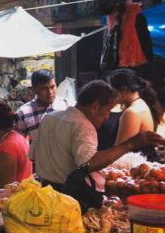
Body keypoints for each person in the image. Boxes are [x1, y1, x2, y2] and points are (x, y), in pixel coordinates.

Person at [32, 80, 164, 192]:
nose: (108, 117)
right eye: (108, 109)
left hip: (45, 190)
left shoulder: (49, 118)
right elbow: (89, 163)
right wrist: (130, 144)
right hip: (71, 196)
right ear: (95, 106)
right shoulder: (83, 126)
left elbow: (34, 156)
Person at [109, 68, 163, 161]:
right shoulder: (141, 103)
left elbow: (119, 151)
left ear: (123, 89)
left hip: (138, 165)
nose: (110, 95)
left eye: (112, 91)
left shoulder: (132, 112)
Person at [15, 70, 69, 150]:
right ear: (34, 89)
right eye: (44, 89)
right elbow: (18, 143)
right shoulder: (23, 113)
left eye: (52, 87)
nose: (50, 92)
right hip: (39, 161)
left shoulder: (68, 106)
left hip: (66, 160)